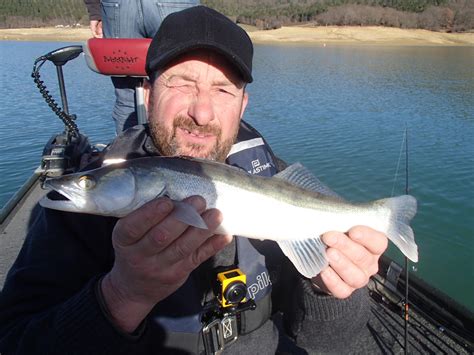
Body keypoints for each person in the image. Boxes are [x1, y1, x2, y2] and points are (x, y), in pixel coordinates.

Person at [0, 6, 388, 354]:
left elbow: (330, 343)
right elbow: (15, 341)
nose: (202, 112)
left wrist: (331, 289)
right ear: (149, 94)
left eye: (222, 90)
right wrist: (121, 296)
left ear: (242, 104)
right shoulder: (78, 212)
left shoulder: (276, 180)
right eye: (182, 83)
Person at [83, 0, 200, 134]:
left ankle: (127, 152)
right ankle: (183, 153)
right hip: (174, 3)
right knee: (184, 89)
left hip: (118, 6)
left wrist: (95, 10)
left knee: (127, 98)